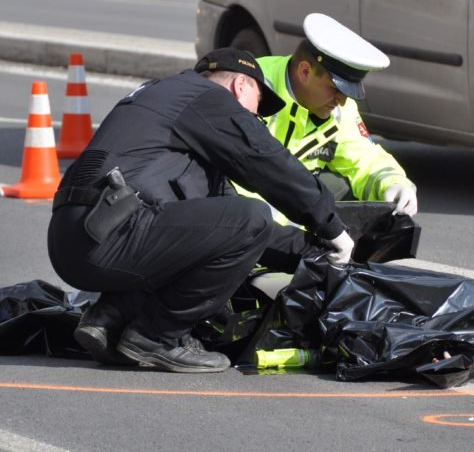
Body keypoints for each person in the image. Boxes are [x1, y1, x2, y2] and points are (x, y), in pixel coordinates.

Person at [47, 48, 354, 373]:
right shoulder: (207, 98)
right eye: (257, 108)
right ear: (241, 85)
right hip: (112, 234)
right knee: (254, 215)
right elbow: (268, 163)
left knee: (228, 224)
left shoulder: (166, 100)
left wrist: (313, 254)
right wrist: (331, 226)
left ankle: (109, 317)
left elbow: (229, 233)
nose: (256, 119)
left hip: (77, 235)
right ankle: (157, 337)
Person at [250, 13, 418, 217]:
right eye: (335, 89)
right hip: (234, 221)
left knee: (344, 188)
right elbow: (231, 175)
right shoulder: (252, 89)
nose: (342, 100)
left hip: (285, 210)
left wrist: (394, 184)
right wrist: (285, 223)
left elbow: (363, 157)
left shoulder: (338, 108)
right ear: (305, 72)